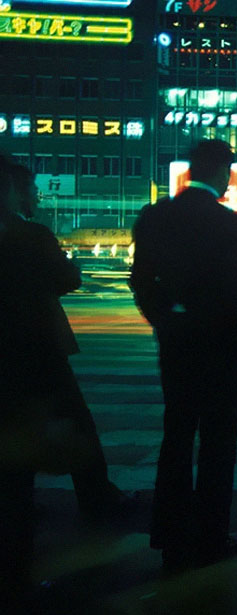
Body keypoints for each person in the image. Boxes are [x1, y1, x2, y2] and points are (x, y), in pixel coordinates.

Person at [130, 139, 237, 571]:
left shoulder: (156, 217)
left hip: (178, 343)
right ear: (222, 171)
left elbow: (141, 278)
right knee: (218, 442)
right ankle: (211, 534)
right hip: (222, 346)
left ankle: (170, 534)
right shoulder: (228, 222)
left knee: (177, 434)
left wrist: (164, 319)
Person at [0, 158, 92, 612]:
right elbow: (68, 278)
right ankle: (15, 580)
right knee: (16, 482)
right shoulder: (28, 237)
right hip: (25, 368)